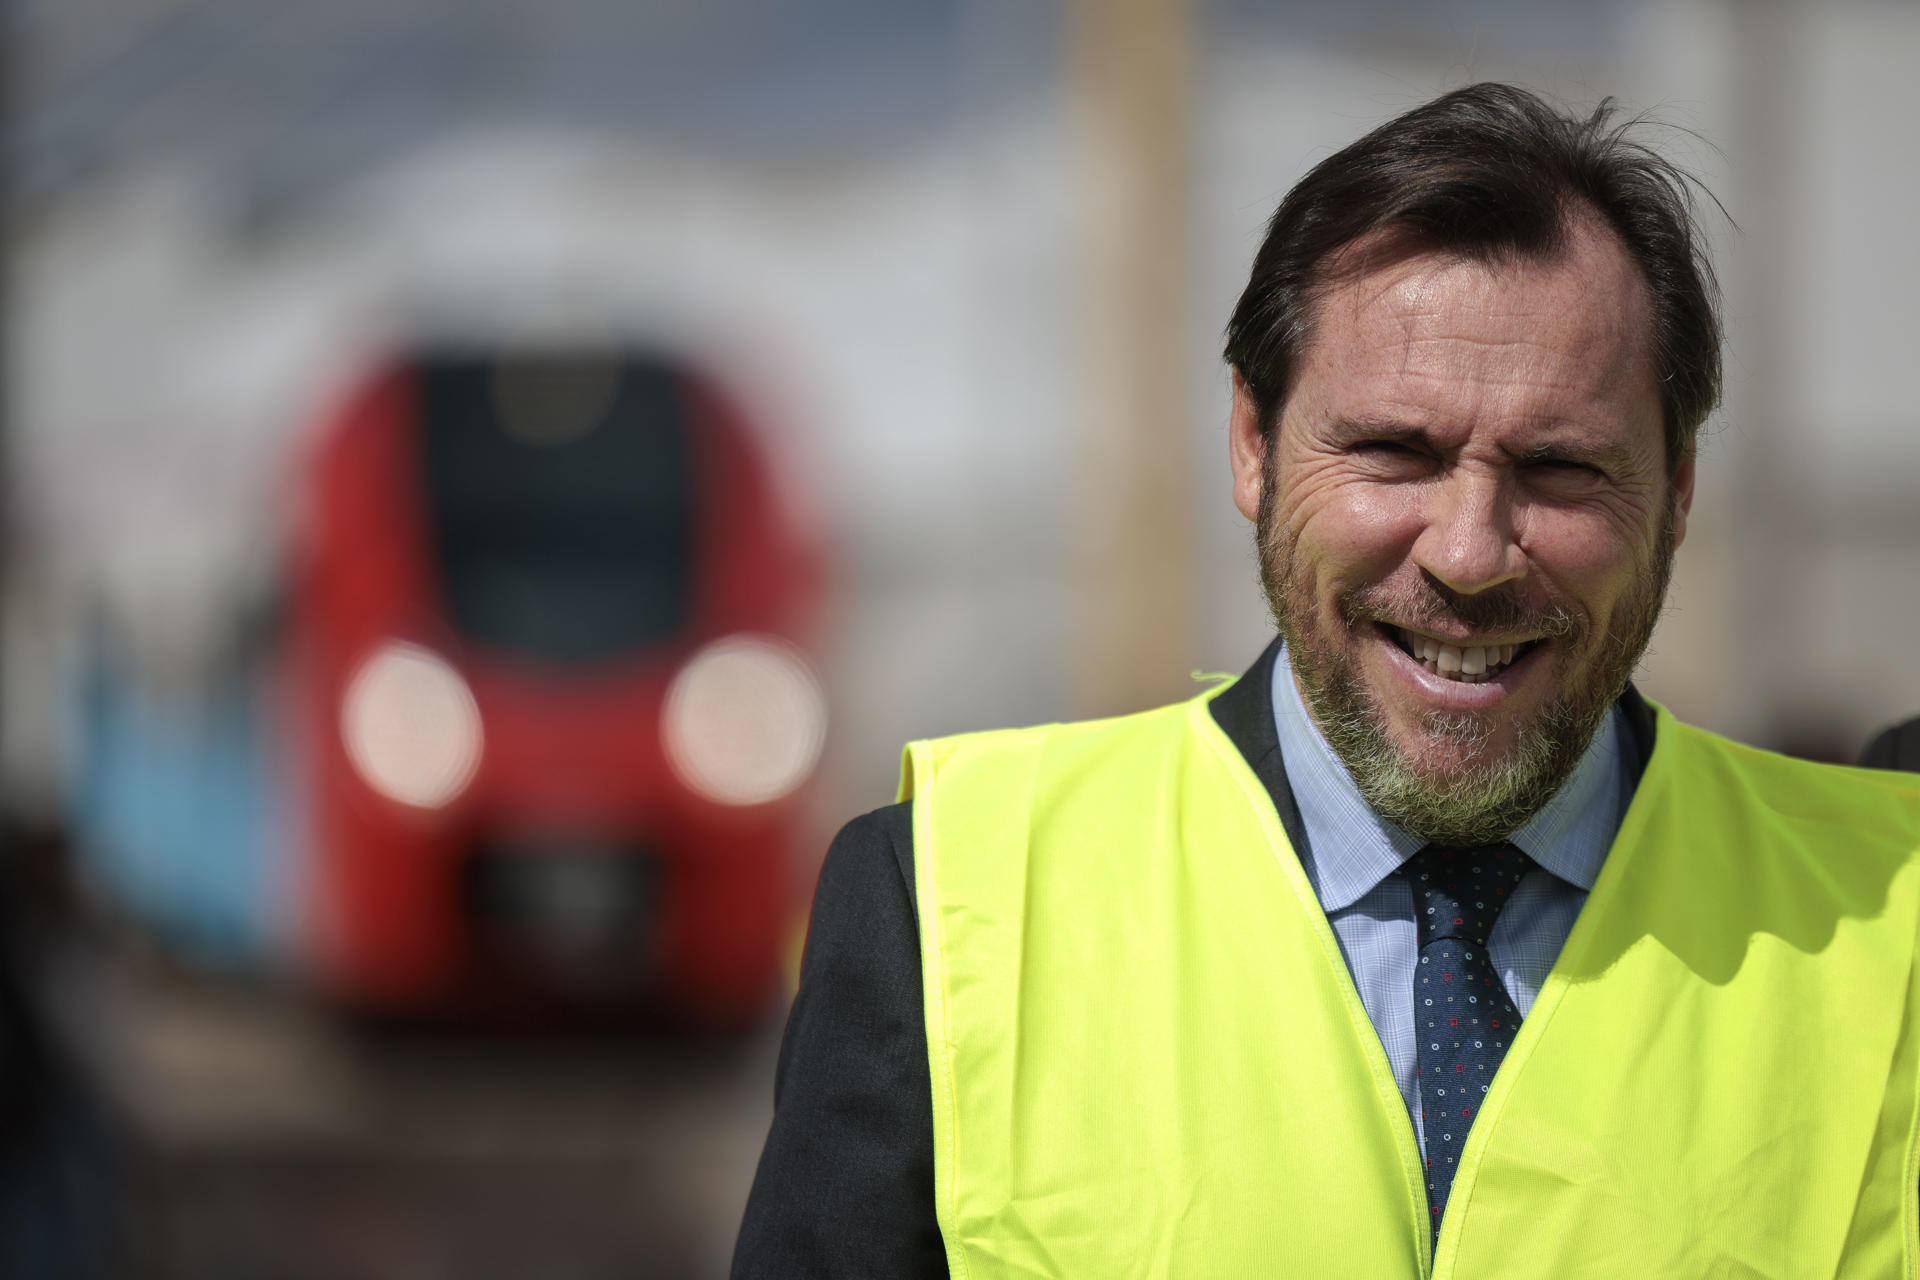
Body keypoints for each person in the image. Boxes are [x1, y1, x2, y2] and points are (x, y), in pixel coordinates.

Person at [733, 83, 1920, 1278]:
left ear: (1677, 489)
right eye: (1394, 452)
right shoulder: (947, 906)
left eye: (1560, 468)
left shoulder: (1890, 915)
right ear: (1253, 442)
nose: (1467, 550)